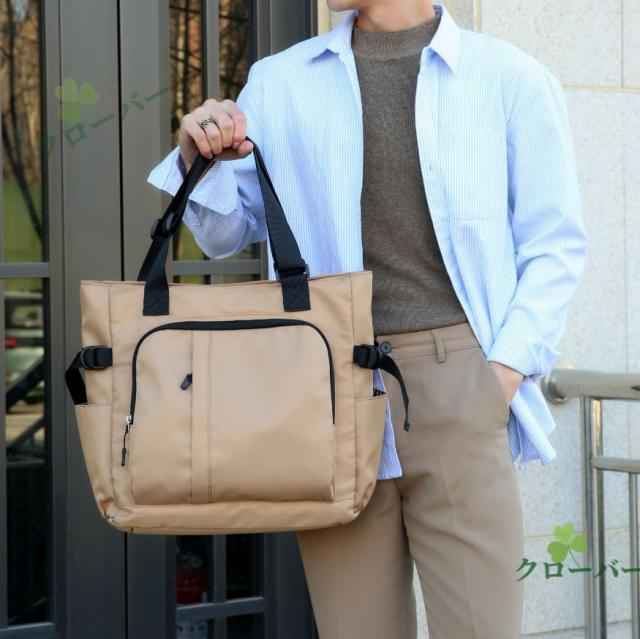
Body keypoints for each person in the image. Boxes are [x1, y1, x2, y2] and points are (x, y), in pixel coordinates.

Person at [147, 1, 588, 637]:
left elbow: (554, 245)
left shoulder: (509, 77)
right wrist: (199, 159)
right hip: (326, 392)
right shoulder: (280, 80)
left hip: (458, 385)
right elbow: (224, 234)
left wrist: (501, 375)